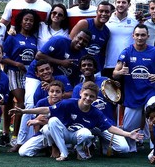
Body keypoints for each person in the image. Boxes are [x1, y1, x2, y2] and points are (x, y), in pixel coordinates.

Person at [14, 82, 143, 160]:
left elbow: (110, 128)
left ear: (95, 98)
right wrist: (24, 111)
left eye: (91, 96)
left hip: (77, 136)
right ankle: (60, 151)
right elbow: (46, 110)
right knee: (24, 152)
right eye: (86, 94)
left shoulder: (96, 113)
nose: (88, 98)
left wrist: (128, 134)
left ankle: (80, 150)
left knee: (87, 133)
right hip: (63, 134)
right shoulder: (68, 103)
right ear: (80, 93)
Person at [114, 24, 155, 152]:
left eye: (143, 35)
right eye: (137, 35)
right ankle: (133, 146)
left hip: (151, 92)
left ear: (147, 36)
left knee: (154, 112)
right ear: (133, 36)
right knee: (129, 126)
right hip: (132, 94)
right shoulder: (126, 52)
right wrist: (120, 72)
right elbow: (114, 73)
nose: (140, 38)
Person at [12, 60, 73, 152]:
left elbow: (72, 95)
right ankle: (47, 145)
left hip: (65, 123)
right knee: (24, 151)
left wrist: (53, 89)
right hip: (47, 125)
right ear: (37, 74)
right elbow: (37, 117)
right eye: (41, 70)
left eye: (47, 69)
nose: (45, 72)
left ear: (52, 69)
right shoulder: (38, 92)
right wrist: (36, 136)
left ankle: (58, 146)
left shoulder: (62, 79)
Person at [2, 9, 40, 146]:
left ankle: (24, 133)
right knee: (21, 102)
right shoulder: (12, 37)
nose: (28, 22)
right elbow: (3, 57)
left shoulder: (35, 39)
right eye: (26, 20)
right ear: (20, 21)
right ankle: (14, 135)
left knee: (27, 102)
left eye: (31, 20)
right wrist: (16, 63)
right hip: (13, 73)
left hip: (30, 75)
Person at [16, 79, 65, 157]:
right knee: (23, 152)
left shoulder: (65, 104)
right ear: (48, 92)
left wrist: (38, 121)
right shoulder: (42, 102)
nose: (54, 94)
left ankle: (56, 147)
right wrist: (36, 134)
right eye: (52, 91)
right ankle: (46, 147)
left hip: (62, 134)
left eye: (58, 92)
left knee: (47, 128)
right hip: (43, 134)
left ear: (63, 94)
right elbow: (37, 121)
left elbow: (62, 124)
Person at [69, 1, 112, 72]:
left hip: (94, 70)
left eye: (107, 12)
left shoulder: (107, 32)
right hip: (79, 67)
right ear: (96, 12)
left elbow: (101, 53)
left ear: (110, 14)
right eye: (101, 11)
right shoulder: (84, 23)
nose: (104, 14)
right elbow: (70, 42)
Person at [104, 0, 138, 78]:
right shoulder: (107, 20)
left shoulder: (134, 22)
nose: (120, 5)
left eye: (124, 2)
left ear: (129, 5)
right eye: (118, 2)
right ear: (115, 4)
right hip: (109, 64)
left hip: (128, 64)